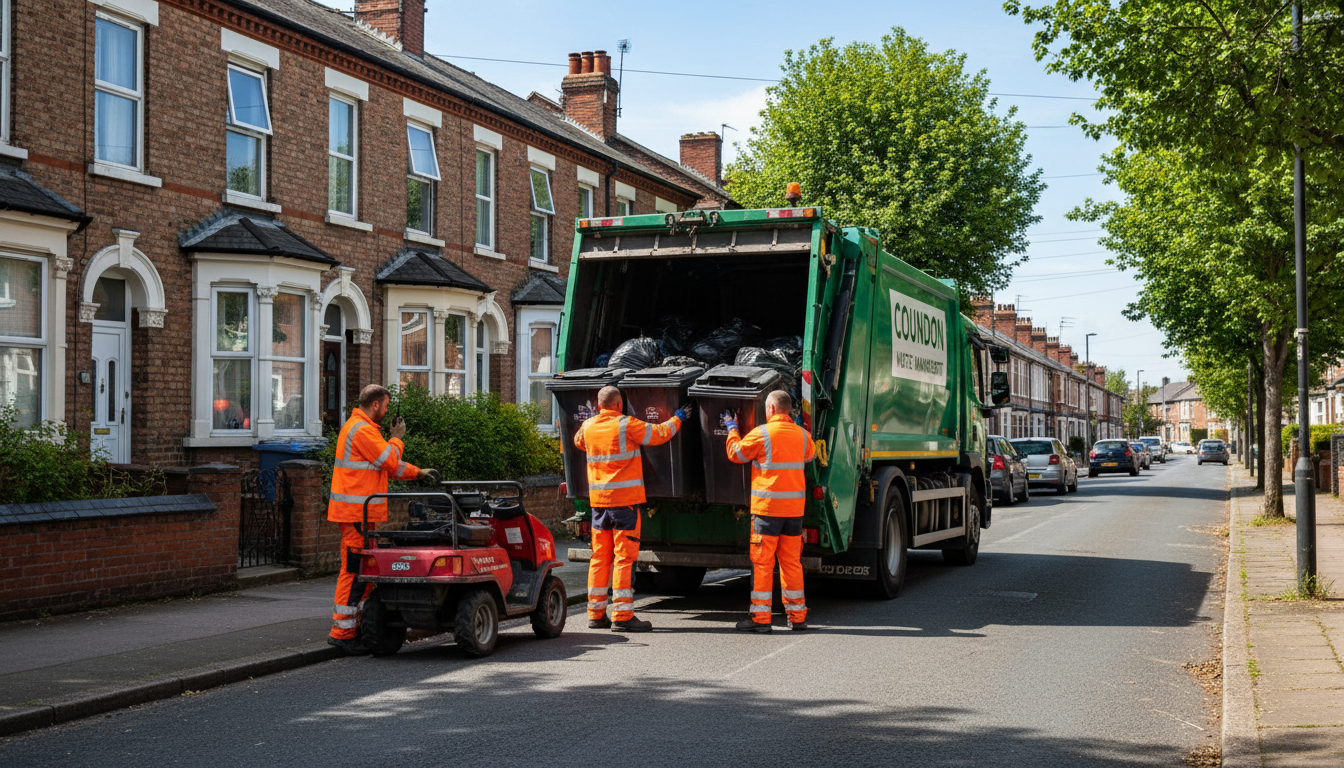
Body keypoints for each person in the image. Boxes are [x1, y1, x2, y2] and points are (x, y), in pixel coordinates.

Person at [326, 384, 436, 655]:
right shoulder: (361, 430)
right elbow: (389, 459)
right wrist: (397, 437)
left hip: (358, 514)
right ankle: (342, 633)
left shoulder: (362, 429)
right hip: (356, 514)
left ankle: (352, 629)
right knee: (354, 572)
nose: (387, 411)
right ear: (375, 405)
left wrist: (419, 473)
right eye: (386, 406)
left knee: (359, 571)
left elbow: (391, 465)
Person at [575, 385, 692, 632]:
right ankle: (623, 615)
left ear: (598, 406)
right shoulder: (627, 424)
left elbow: (579, 443)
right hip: (624, 504)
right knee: (624, 558)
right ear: (619, 404)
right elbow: (659, 434)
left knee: (599, 557)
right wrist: (678, 418)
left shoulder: (588, 427)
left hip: (599, 504)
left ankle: (596, 614)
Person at [724, 390, 816, 632]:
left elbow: (736, 453)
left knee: (763, 564)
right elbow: (811, 455)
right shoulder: (803, 436)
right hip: (794, 513)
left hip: (767, 511)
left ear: (772, 409)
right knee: (791, 564)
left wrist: (732, 427)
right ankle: (797, 617)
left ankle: (761, 620)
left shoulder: (761, 433)